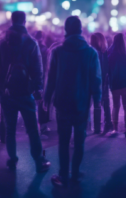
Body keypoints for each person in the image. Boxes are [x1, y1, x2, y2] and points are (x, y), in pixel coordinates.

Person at [44, 16, 102, 187]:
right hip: (82, 103)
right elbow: (95, 79)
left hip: (62, 102)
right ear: (81, 30)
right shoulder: (91, 52)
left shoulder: (58, 52)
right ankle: (75, 173)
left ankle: (63, 175)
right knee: (79, 140)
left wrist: (47, 98)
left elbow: (51, 78)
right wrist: (97, 100)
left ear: (66, 30)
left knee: (63, 141)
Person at [0, 11, 50, 172]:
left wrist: (1, 90)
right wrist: (37, 89)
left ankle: (12, 159)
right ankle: (38, 159)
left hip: (7, 94)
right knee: (32, 129)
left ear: (11, 20)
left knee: (10, 129)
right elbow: (38, 70)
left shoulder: (1, 43)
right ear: (24, 21)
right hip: (25, 93)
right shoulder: (31, 42)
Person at [108, 33, 126, 137]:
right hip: (125, 83)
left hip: (114, 83)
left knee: (115, 106)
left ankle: (115, 129)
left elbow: (107, 69)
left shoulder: (110, 54)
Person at [90, 33, 112, 134]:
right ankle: (107, 125)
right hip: (103, 81)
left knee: (97, 104)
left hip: (96, 81)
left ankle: (97, 127)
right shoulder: (105, 52)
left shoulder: (93, 52)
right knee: (103, 104)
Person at [34, 31, 50, 137]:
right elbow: (48, 66)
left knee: (35, 102)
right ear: (43, 37)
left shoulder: (32, 47)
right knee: (43, 103)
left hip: (33, 77)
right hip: (43, 77)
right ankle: (43, 127)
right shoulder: (46, 50)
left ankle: (36, 126)